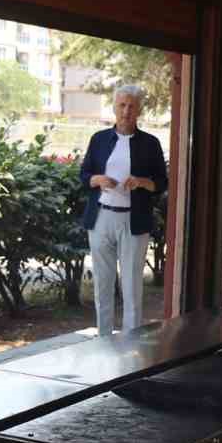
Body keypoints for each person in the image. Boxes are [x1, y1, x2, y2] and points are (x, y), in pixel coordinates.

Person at [77, 84, 167, 337]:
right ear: (114, 107)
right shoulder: (99, 139)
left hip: (133, 221)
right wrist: (98, 180)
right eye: (122, 105)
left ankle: (132, 341)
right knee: (102, 284)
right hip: (101, 218)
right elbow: (84, 175)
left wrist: (140, 182)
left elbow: (161, 182)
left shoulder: (150, 143)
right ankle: (103, 338)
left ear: (139, 110)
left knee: (131, 284)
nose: (126, 111)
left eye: (131, 106)